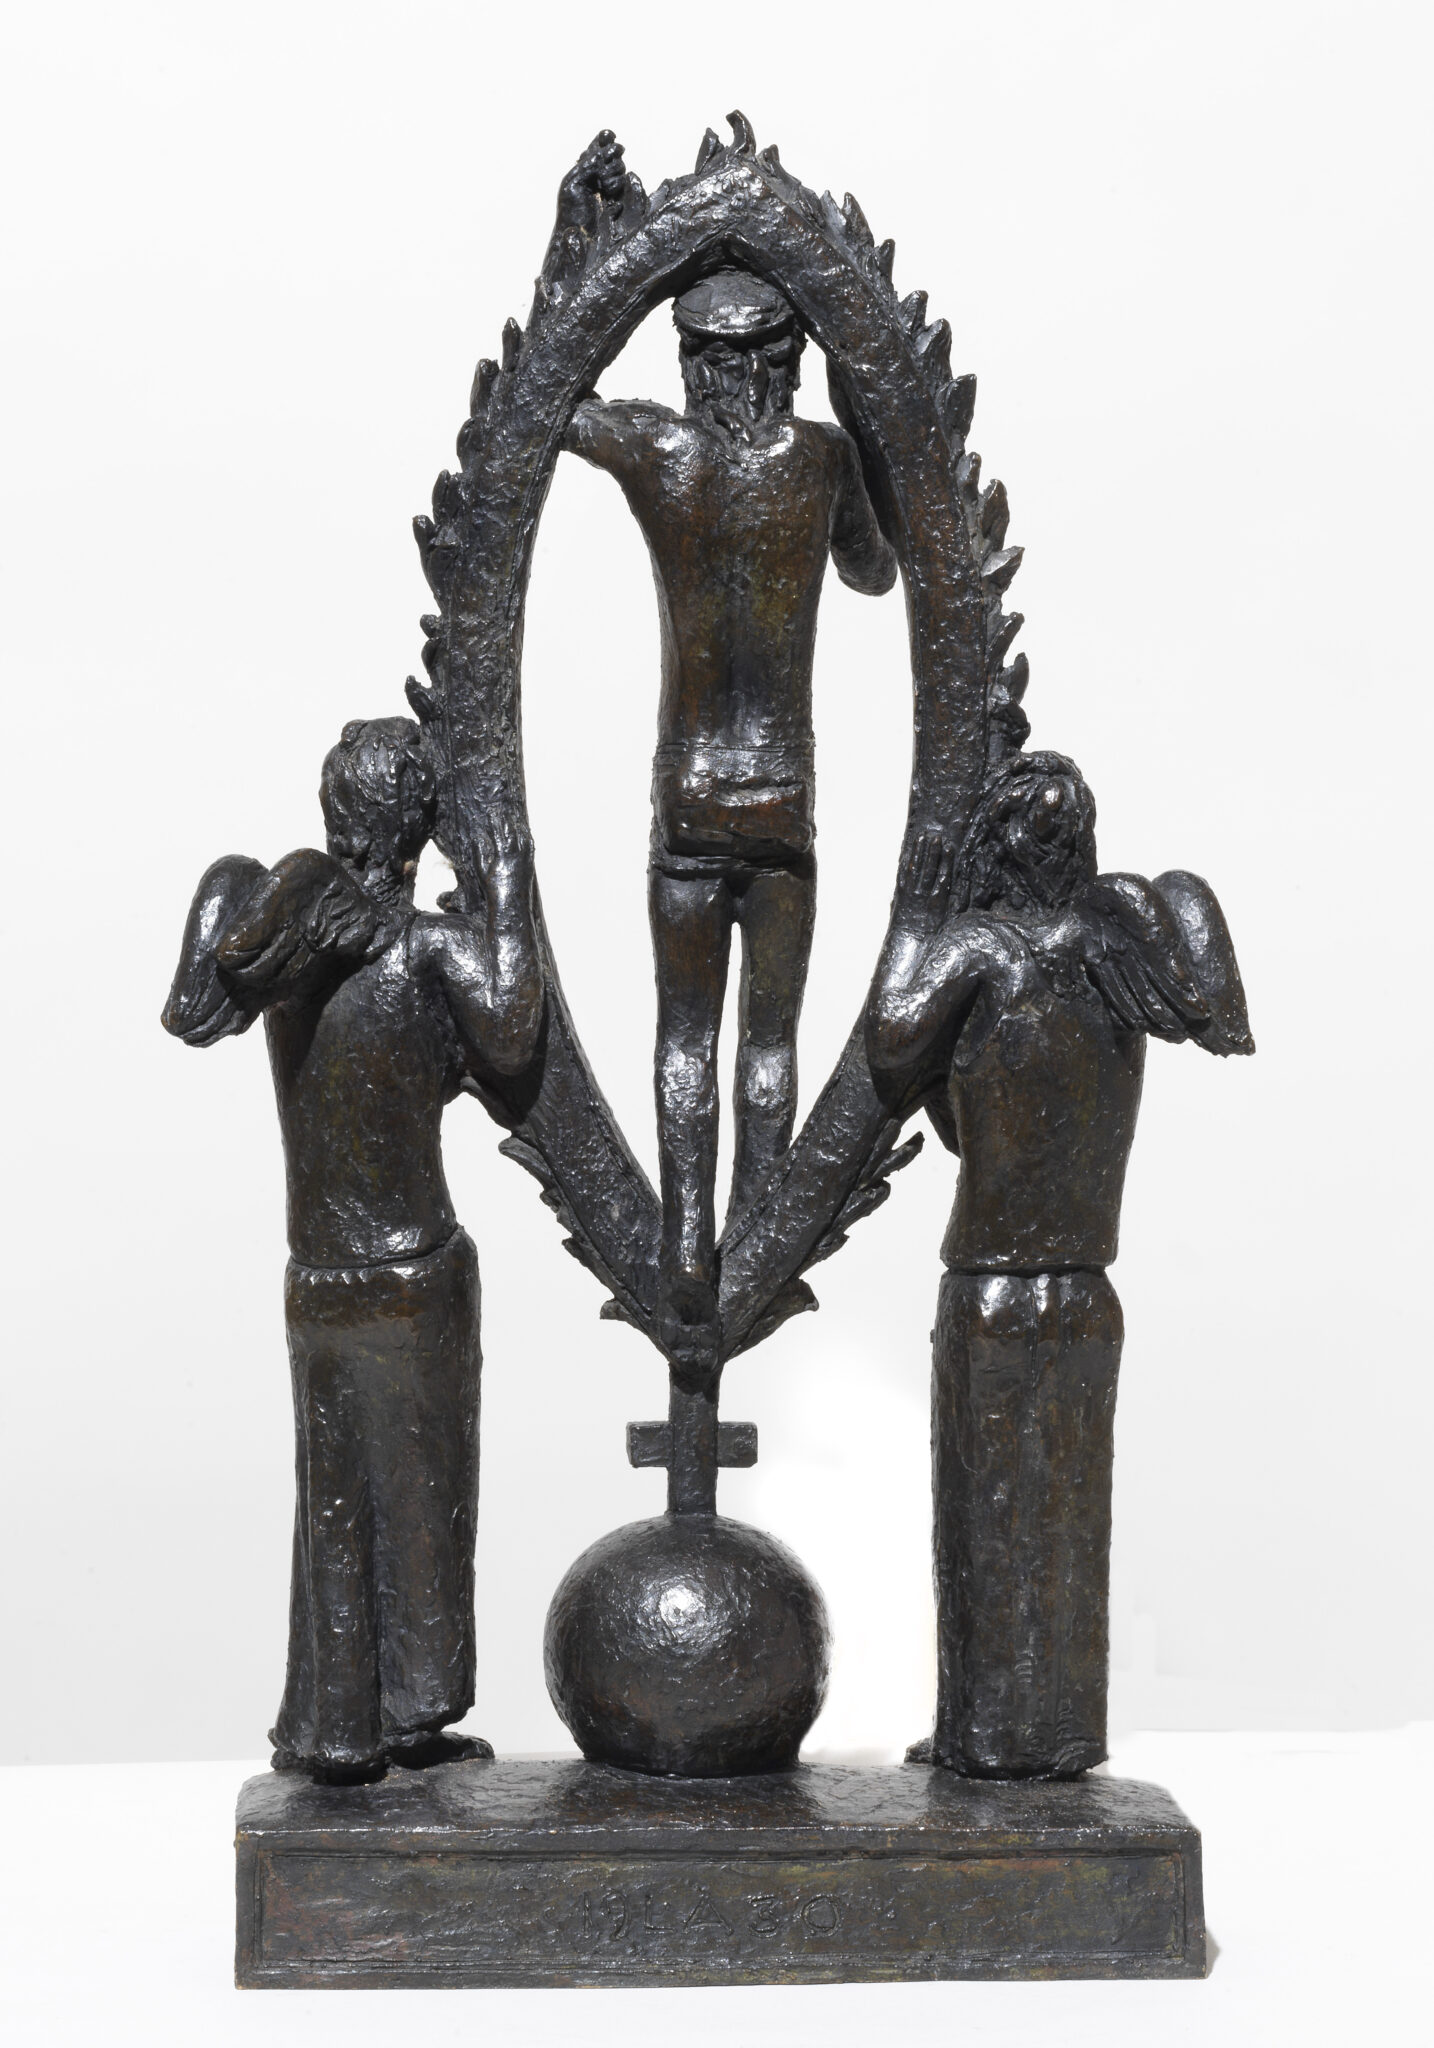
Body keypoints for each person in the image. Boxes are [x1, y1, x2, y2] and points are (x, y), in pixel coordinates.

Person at [162, 717, 543, 1782]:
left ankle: (337, 1725)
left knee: (333, 1498)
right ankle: (407, 1713)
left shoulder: (292, 962)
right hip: (412, 1270)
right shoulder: (421, 949)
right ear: (416, 827)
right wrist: (504, 878)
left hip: (321, 1274)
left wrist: (233, 889)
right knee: (421, 1501)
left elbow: (196, 1002)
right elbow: (515, 1037)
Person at [866, 750, 1252, 1776]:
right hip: (1084, 1285)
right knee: (1067, 1513)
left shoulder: (982, 949)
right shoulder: (1114, 947)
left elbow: (891, 1040)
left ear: (995, 848)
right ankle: (1059, 1730)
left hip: (994, 1280)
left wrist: (918, 908)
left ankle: (988, 1735)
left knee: (990, 1515)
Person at [564, 259, 898, 1376]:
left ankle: (685, 1238)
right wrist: (861, 407)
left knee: (683, 1034)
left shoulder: (660, 451)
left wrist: (587, 259)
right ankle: (754, 1228)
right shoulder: (820, 463)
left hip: (690, 799)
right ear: (786, 363)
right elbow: (874, 571)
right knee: (768, 1039)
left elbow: (551, 403)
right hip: (782, 803)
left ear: (694, 365)